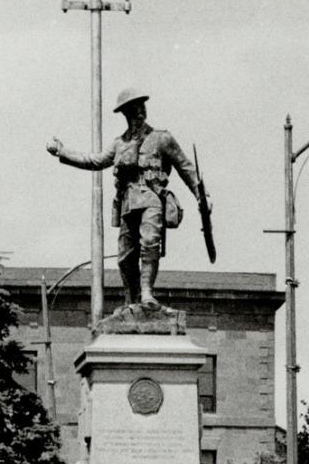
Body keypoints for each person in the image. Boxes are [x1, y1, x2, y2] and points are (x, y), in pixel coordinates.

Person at [47, 87, 204, 309]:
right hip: (128, 204)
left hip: (152, 199)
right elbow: (95, 161)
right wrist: (62, 152)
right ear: (126, 114)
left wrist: (201, 195)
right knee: (125, 257)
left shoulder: (162, 138)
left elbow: (185, 167)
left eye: (142, 108)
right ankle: (132, 300)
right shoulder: (119, 143)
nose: (140, 113)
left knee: (150, 241)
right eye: (134, 109)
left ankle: (147, 293)